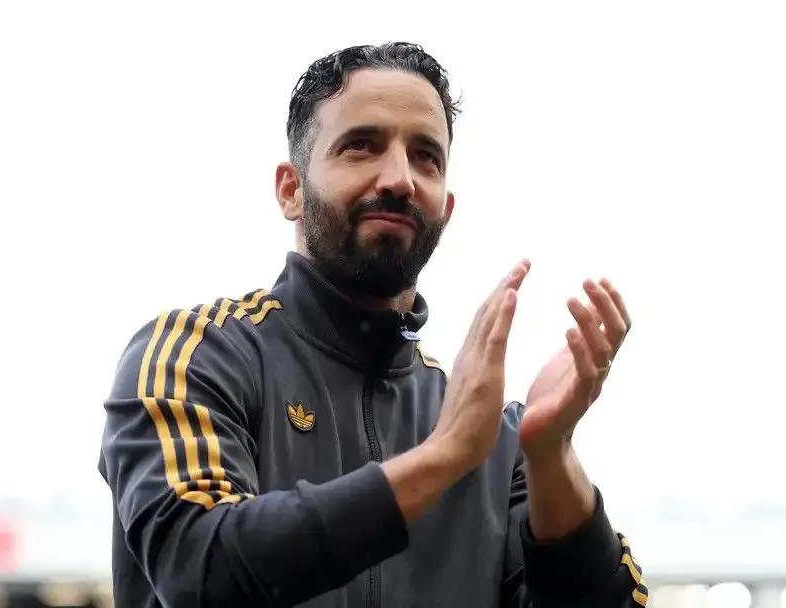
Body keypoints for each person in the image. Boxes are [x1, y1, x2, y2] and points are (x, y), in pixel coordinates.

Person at [98, 41, 647, 608]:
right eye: (361, 146)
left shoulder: (494, 437)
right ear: (291, 189)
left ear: (445, 211)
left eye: (426, 157)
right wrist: (443, 457)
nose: (400, 178)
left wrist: (551, 454)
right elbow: (198, 566)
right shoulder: (195, 355)